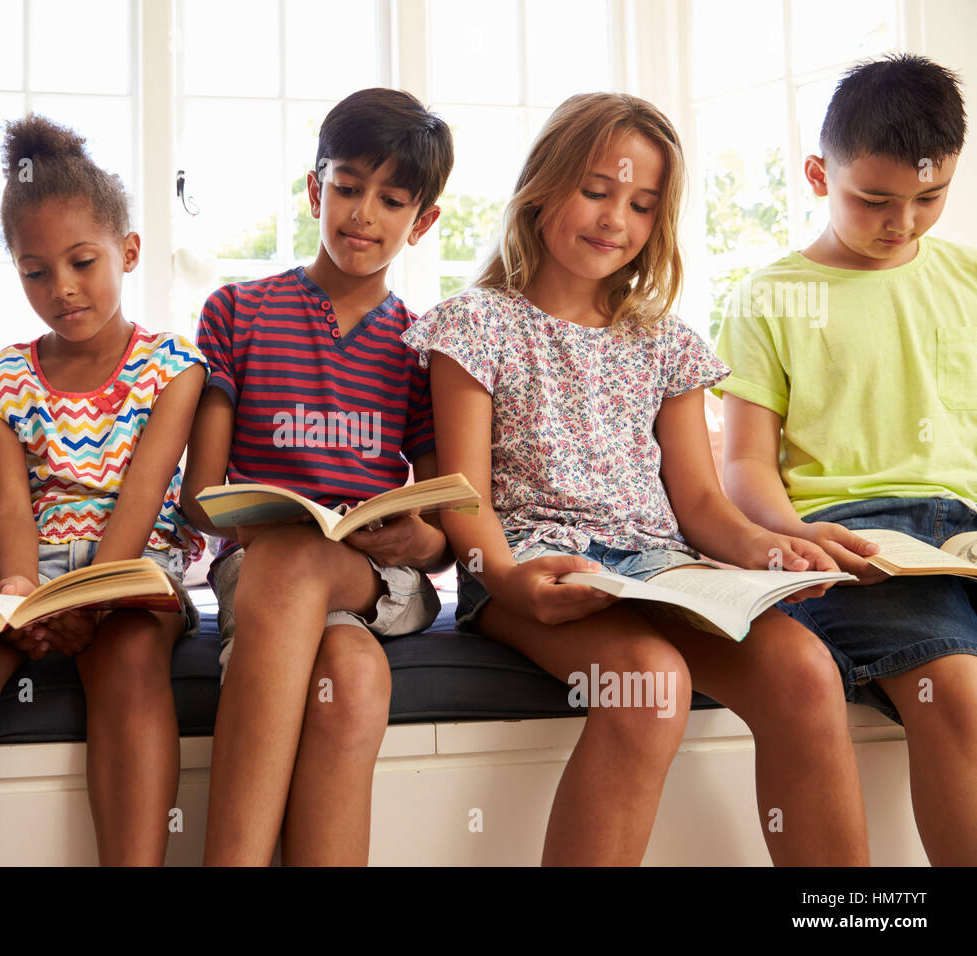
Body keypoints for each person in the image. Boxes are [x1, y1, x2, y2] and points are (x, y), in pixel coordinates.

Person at [407, 92, 870, 865]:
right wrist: (515, 582)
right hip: (536, 562)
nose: (614, 218)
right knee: (650, 685)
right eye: (596, 189)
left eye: (643, 204)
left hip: (662, 569)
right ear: (544, 186)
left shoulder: (665, 344)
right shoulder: (474, 323)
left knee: (805, 670)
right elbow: (465, 498)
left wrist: (769, 552)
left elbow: (700, 504)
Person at [0, 115, 207, 866]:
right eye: (36, 272)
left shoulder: (173, 367)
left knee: (130, 653)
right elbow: (8, 505)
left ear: (126, 253)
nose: (62, 289)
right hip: (27, 566)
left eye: (82, 262)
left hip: (129, 568)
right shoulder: (2, 378)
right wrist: (19, 590)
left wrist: (91, 599)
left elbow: (142, 495)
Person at [180, 88, 454, 865]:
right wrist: (258, 517)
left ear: (422, 220)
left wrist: (416, 536)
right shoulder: (236, 311)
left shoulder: (419, 346)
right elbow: (201, 502)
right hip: (261, 575)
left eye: (391, 199)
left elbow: (443, 536)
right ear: (314, 188)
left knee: (307, 567)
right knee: (353, 679)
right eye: (347, 187)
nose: (363, 213)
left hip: (377, 580)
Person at [716, 53, 976, 865]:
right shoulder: (767, 297)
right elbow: (745, 463)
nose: (903, 222)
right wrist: (793, 535)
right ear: (817, 174)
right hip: (856, 542)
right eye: (875, 200)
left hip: (965, 540)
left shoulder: (967, 279)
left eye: (929, 198)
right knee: (961, 700)